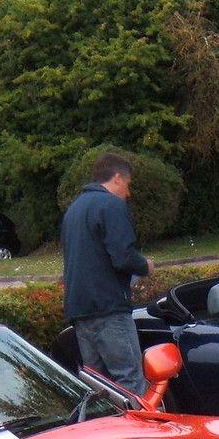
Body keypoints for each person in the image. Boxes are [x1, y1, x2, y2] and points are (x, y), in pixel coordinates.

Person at [61, 153, 154, 394]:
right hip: (109, 309)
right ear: (117, 178)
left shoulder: (73, 210)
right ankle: (135, 420)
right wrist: (145, 266)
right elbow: (123, 257)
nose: (128, 193)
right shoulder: (112, 205)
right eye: (128, 185)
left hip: (79, 311)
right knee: (129, 380)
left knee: (99, 387)